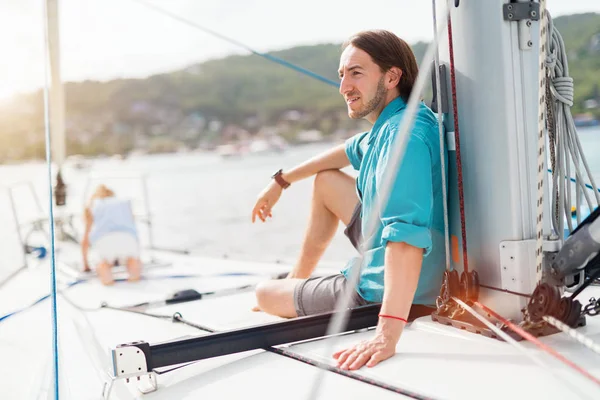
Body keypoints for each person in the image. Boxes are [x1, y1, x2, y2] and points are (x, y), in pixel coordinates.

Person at [251, 30, 447, 370]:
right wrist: (281, 181)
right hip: (398, 261)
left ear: (391, 76)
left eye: (356, 73)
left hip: (383, 287)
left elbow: (405, 239)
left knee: (264, 294)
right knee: (326, 181)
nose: (344, 88)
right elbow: (342, 153)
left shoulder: (404, 136)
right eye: (342, 76)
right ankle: (300, 277)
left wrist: (387, 333)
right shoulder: (393, 124)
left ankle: (293, 287)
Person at [81, 184, 142, 285]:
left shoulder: (93, 205)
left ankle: (107, 279)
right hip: (128, 239)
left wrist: (86, 265)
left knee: (103, 262)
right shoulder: (122, 204)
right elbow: (134, 229)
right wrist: (137, 255)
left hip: (105, 240)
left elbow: (85, 241)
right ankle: (134, 276)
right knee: (132, 259)